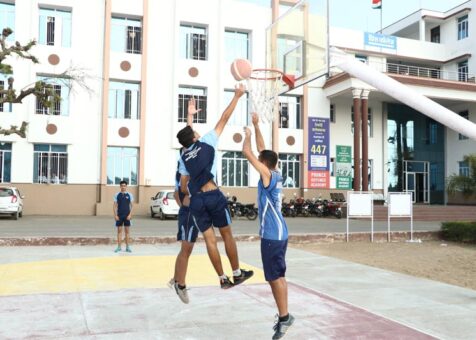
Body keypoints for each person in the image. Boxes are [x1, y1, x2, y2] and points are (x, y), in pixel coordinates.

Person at [176, 83, 254, 289]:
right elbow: (224, 118)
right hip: (213, 195)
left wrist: (190, 117)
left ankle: (222, 278)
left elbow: (184, 186)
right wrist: (237, 96)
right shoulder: (208, 141)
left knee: (210, 240)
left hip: (197, 201)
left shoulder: (184, 155)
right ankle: (237, 273)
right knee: (226, 233)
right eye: (195, 131)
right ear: (195, 137)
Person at [242, 113, 294, 340]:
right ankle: (284, 316)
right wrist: (256, 124)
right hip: (278, 233)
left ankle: (285, 317)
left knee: (275, 277)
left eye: (261, 161)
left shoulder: (267, 175)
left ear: (265, 165)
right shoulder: (275, 172)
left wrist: (246, 135)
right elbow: (263, 151)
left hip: (274, 234)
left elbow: (248, 153)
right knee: (277, 276)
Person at [168, 98, 200, 304]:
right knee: (186, 249)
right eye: (195, 133)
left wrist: (189, 116)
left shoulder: (188, 151)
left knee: (187, 248)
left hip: (192, 207)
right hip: (188, 210)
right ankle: (180, 284)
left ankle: (176, 279)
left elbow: (188, 135)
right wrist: (183, 204)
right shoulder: (188, 157)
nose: (197, 133)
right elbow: (179, 189)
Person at [113, 180, 133, 253]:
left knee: (127, 232)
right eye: (122, 186)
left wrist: (130, 214)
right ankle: (119, 247)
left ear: (126, 186)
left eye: (124, 186)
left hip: (127, 216)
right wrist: (115, 215)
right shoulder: (117, 195)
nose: (123, 187)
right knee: (119, 231)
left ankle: (127, 247)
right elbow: (114, 206)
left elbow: (132, 206)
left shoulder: (129, 195)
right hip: (119, 216)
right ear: (120, 186)